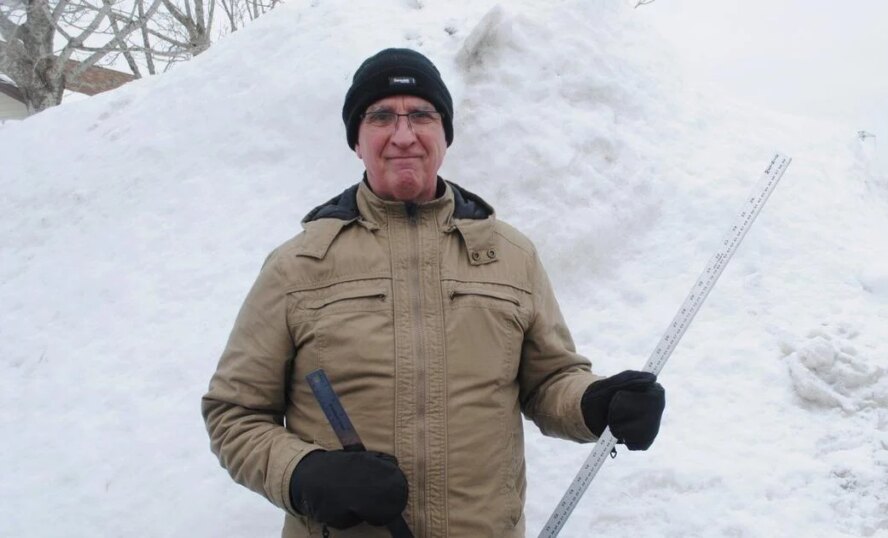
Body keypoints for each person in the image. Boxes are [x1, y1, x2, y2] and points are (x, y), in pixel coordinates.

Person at [202, 48, 666, 538]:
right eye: (381, 116)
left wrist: (594, 403)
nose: (403, 135)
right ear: (356, 140)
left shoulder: (511, 256)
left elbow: (549, 380)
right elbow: (234, 413)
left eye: (422, 115)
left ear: (445, 135)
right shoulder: (297, 266)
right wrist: (304, 474)